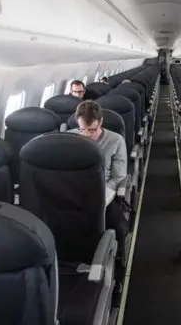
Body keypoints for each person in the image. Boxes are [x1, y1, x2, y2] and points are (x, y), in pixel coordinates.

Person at [67, 101, 129, 254]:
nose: (88, 135)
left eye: (92, 130)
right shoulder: (69, 139)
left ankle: (115, 256)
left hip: (104, 191)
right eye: (83, 130)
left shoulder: (115, 140)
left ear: (101, 122)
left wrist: (102, 198)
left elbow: (118, 177)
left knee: (117, 224)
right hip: (74, 191)